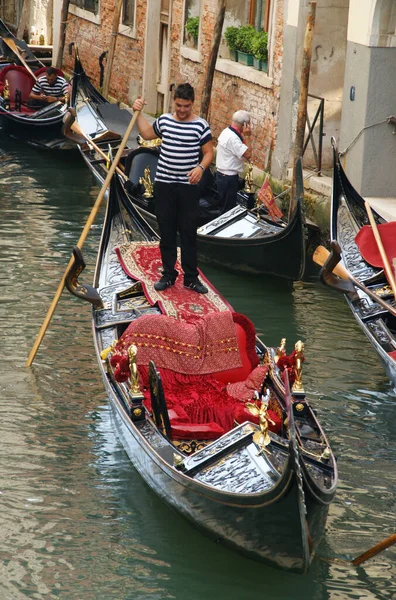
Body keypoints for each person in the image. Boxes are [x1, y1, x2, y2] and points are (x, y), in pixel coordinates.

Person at [132, 84, 214, 294]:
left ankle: (191, 278)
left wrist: (200, 168)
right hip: (165, 185)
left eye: (186, 106)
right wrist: (138, 112)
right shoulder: (165, 121)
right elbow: (147, 133)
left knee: (188, 233)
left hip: (188, 187)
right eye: (178, 105)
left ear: (192, 103)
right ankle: (168, 275)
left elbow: (208, 154)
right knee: (167, 232)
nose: (182, 110)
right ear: (174, 102)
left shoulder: (201, 126)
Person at [215, 110, 252, 214]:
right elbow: (248, 154)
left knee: (224, 208)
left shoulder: (226, 131)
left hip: (222, 176)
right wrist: (248, 136)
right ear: (245, 124)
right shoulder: (233, 138)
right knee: (227, 211)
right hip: (228, 179)